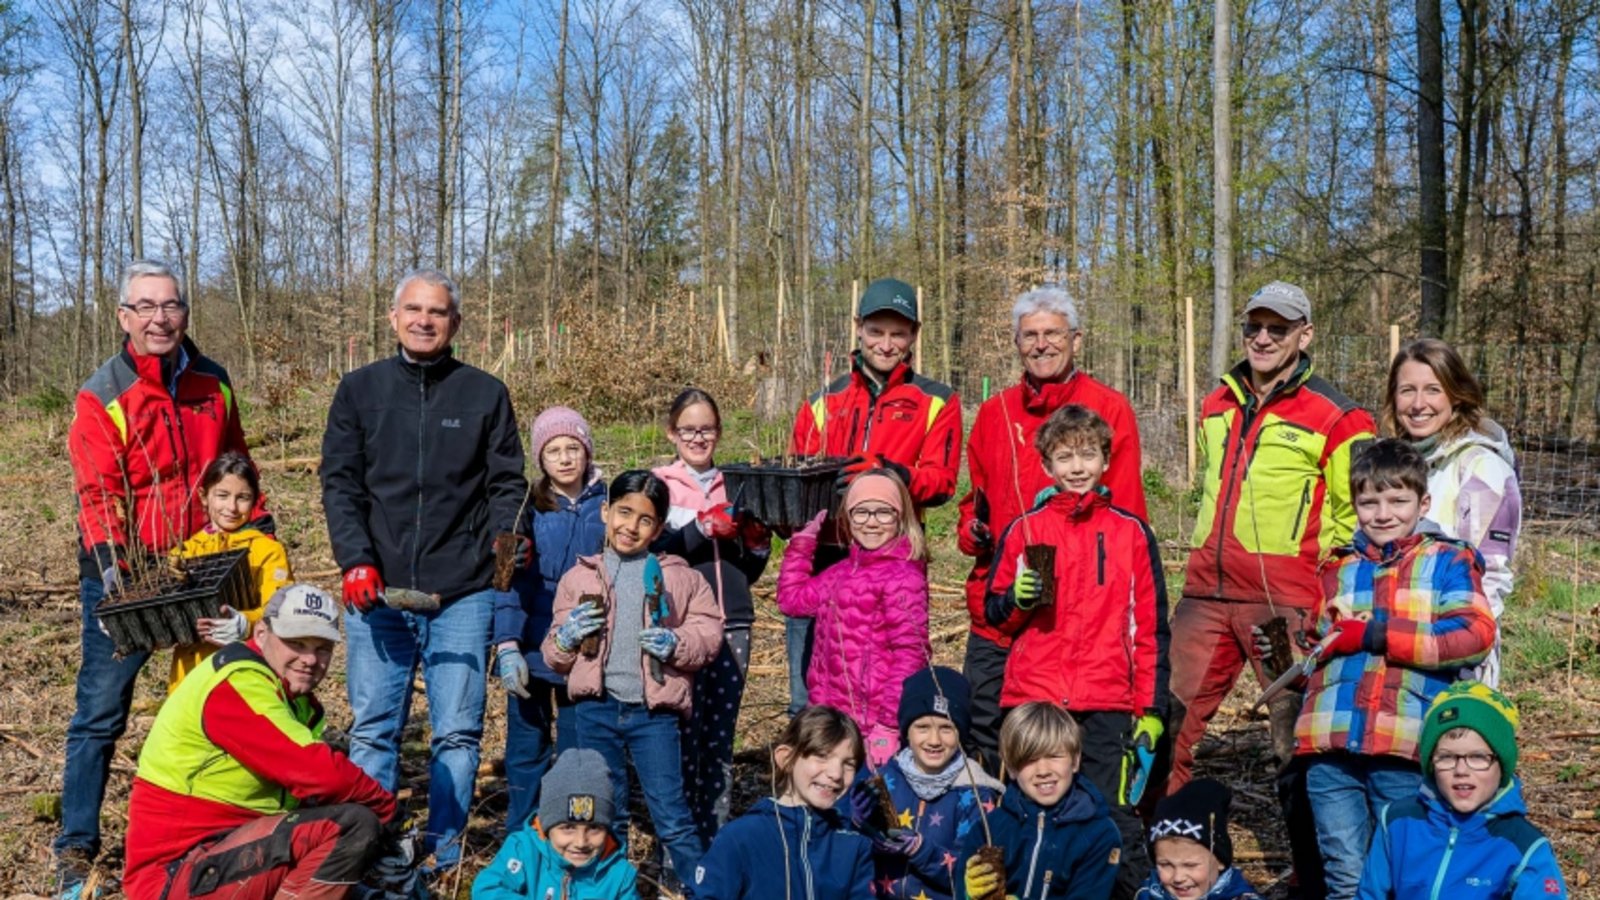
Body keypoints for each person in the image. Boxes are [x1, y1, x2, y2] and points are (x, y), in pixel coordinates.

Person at [57, 259, 263, 898]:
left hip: (208, 560)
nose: (159, 318)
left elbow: (239, 462)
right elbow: (97, 494)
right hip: (133, 570)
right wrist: (120, 581)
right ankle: (76, 845)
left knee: (217, 691)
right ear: (124, 316)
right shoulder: (104, 395)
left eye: (169, 306)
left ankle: (214, 821)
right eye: (144, 307)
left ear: (185, 314)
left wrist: (261, 530)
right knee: (101, 708)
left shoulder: (213, 383)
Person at [1166, 281, 1375, 898]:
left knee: (1297, 743)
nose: (1262, 337)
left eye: (1277, 329)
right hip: (1205, 594)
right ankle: (1169, 860)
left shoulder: (1339, 416)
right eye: (1254, 326)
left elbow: (1352, 515)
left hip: (1285, 606)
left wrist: (1328, 596)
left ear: (1304, 336)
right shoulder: (1215, 405)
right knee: (1165, 722)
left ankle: (1311, 875)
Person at [320, 268, 529, 872]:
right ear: (392, 318)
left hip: (461, 591)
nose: (424, 320)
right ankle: (370, 852)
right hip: (377, 593)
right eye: (413, 309)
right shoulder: (359, 391)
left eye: (437, 312)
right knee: (374, 730)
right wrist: (355, 558)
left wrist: (502, 546)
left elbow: (507, 482)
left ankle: (443, 854)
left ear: (455, 323)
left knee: (458, 733)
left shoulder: (484, 394)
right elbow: (340, 484)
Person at [1293, 439, 1495, 899]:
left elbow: (1473, 635)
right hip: (1330, 741)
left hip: (1402, 744)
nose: (1383, 513)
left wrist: (1378, 635)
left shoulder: (1448, 560)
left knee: (1405, 871)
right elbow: (1315, 648)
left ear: (1423, 503)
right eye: (1369, 502)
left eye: (1398, 500)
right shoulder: (1337, 566)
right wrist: (1297, 649)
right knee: (1344, 873)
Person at [957, 286, 1148, 773]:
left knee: (1074, 750)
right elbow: (973, 499)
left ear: (1076, 340)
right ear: (1017, 343)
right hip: (1001, 608)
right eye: (1030, 336)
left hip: (1072, 621)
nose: (1041, 344)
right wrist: (973, 530)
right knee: (989, 735)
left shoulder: (1109, 408)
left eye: (1053, 334)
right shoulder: (995, 413)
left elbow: (1126, 517)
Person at [984, 404, 1170, 898]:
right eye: (1065, 457)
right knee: (1030, 808)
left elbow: (1149, 630)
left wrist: (1149, 711)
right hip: (1037, 695)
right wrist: (1015, 600)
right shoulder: (1026, 528)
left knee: (1113, 814)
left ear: (1106, 459)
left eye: (1087, 454)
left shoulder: (1131, 532)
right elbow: (995, 614)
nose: (1077, 467)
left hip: (1106, 698)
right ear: (1047, 466)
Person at [121, 584, 396, 900]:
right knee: (352, 825)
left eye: (322, 648)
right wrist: (389, 812)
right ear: (262, 633)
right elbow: (316, 771)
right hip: (176, 873)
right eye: (296, 643)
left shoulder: (293, 697)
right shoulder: (237, 683)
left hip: (225, 853)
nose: (309, 659)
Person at [785, 277, 961, 713]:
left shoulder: (937, 401)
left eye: (898, 333)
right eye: (876, 331)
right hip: (828, 554)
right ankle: (809, 762)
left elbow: (941, 482)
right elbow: (797, 474)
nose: (886, 343)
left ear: (913, 337)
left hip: (894, 557)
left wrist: (892, 473)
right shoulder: (823, 400)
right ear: (858, 328)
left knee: (889, 681)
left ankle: (886, 766)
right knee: (811, 687)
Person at [540, 469, 722, 889]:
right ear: (605, 512)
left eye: (645, 520)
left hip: (653, 714)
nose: (631, 526)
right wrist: (566, 638)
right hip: (595, 710)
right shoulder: (580, 576)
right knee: (608, 813)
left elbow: (708, 633)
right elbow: (554, 654)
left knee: (671, 812)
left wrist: (675, 643)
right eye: (623, 513)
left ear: (659, 528)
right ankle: (612, 892)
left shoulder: (681, 577)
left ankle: (706, 890)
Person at [651, 388, 771, 841]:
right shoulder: (659, 485)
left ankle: (714, 842)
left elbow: (749, 569)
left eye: (707, 429)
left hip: (734, 621)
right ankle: (677, 847)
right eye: (689, 429)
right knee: (682, 737)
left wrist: (757, 544)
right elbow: (653, 552)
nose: (698, 438)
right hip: (679, 626)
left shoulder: (738, 481)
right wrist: (700, 528)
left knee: (719, 740)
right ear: (672, 432)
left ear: (719, 432)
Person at [492, 405, 606, 831]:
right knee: (526, 748)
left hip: (586, 648)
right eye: (553, 449)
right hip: (532, 641)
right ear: (540, 458)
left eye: (572, 447)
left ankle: (574, 831)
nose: (564, 457)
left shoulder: (609, 505)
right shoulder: (525, 507)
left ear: (586, 451)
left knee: (579, 750)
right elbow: (509, 582)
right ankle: (521, 832)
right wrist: (506, 645)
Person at [1383, 338, 1522, 687]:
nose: (1418, 404)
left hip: (1453, 654)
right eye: (1406, 391)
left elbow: (1488, 577)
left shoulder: (1482, 469)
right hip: (1391, 641)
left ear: (1456, 395)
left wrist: (1460, 657)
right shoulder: (1391, 465)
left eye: (1432, 390)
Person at [1356, 681, 1568, 900]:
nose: (1461, 770)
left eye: (1478, 757)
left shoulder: (1524, 846)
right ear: (1431, 764)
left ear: (1502, 765)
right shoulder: (1397, 821)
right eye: (1446, 757)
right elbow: (1369, 894)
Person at [777, 470, 930, 767]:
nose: (871, 522)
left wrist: (888, 724)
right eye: (861, 512)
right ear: (847, 517)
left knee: (862, 806)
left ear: (900, 516)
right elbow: (792, 601)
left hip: (869, 724)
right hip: (830, 717)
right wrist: (803, 544)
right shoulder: (842, 571)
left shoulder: (903, 576)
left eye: (884, 512)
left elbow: (911, 655)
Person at [849, 666, 1002, 900]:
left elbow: (970, 878)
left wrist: (920, 850)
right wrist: (859, 826)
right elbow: (854, 861)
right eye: (922, 727)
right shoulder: (885, 779)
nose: (934, 740)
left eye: (946, 728)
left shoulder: (975, 795)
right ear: (906, 731)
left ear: (961, 733)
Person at [693, 705, 876, 899]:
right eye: (822, 756)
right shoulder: (741, 838)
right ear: (786, 758)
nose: (836, 774)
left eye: (848, 764)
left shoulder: (853, 843)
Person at [959, 701, 1122, 900]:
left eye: (1054, 756)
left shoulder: (1099, 833)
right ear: (1010, 767)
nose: (1043, 771)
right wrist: (969, 895)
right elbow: (960, 889)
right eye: (1029, 759)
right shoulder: (989, 828)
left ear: (1075, 760)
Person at [167, 452, 292, 690]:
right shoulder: (183, 554)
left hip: (246, 671)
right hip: (190, 677)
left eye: (242, 497)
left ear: (255, 500)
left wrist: (248, 624)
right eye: (222, 496)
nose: (232, 507)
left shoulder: (267, 550)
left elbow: (280, 611)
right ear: (204, 496)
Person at [470, 748, 640, 900]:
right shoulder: (523, 849)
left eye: (594, 828)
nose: (580, 842)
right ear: (546, 826)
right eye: (567, 828)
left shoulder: (620, 875)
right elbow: (486, 890)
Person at [1138, 779, 1262, 900]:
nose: (1178, 878)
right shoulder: (1148, 893)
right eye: (1165, 864)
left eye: (1190, 865)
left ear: (1220, 861)